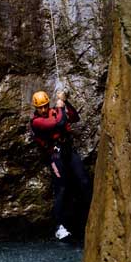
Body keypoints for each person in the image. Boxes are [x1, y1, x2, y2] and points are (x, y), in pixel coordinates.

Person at [30, 89, 91, 240]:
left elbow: (75, 118)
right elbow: (60, 123)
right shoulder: (37, 122)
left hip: (68, 150)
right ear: (36, 108)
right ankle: (59, 227)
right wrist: (60, 107)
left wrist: (65, 101)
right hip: (55, 155)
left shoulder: (55, 110)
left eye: (45, 105)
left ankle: (93, 213)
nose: (43, 109)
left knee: (84, 180)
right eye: (40, 107)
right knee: (61, 189)